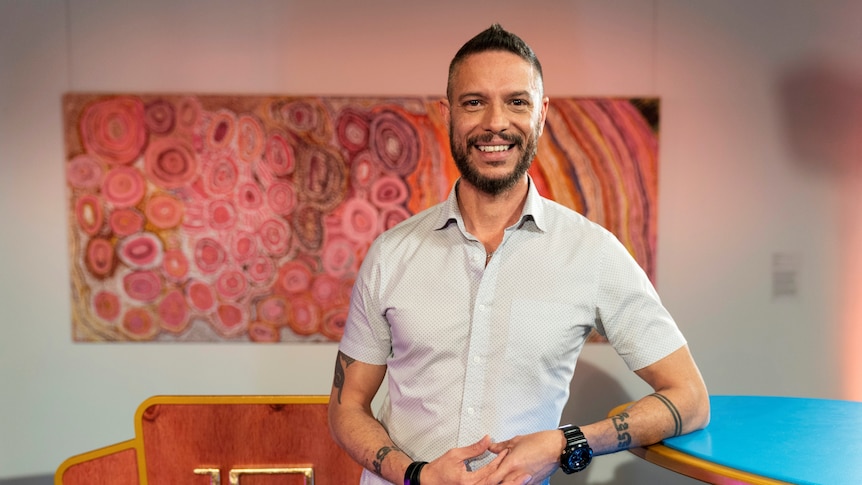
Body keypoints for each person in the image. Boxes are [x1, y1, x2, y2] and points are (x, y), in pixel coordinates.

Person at [328, 24, 710, 485]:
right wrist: (417, 474)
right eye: (474, 102)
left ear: (541, 114)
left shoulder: (593, 254)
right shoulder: (392, 254)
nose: (495, 122)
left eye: (516, 101)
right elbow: (346, 407)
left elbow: (689, 397)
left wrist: (567, 441)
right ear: (448, 113)